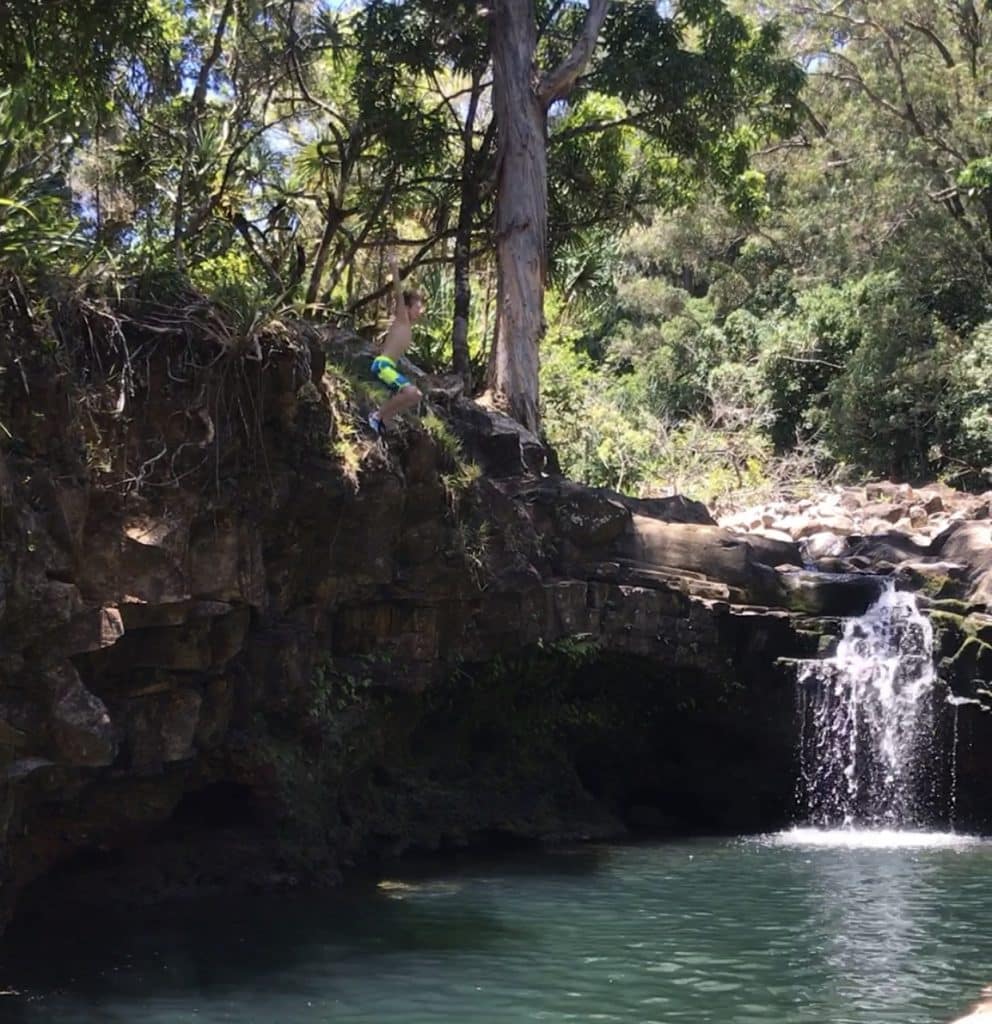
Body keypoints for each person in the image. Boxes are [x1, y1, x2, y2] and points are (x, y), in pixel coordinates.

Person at [367, 255, 425, 436]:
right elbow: (399, 293)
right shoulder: (402, 319)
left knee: (415, 396)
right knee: (412, 393)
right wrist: (394, 268)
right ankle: (377, 416)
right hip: (382, 365)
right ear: (406, 308)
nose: (420, 310)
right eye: (417, 306)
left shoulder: (407, 327)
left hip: (388, 366)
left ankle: (383, 418)